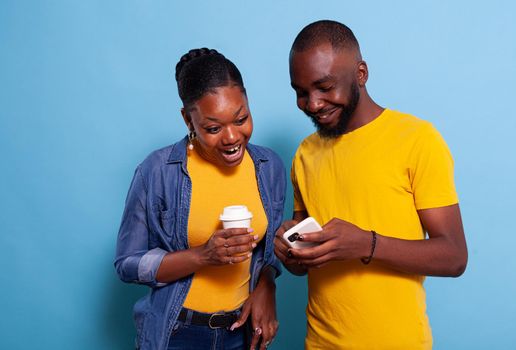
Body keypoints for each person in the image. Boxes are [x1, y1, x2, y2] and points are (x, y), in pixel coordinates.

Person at [274, 20, 468, 349]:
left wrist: (367, 244)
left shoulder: (417, 140)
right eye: (301, 92)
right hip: (319, 342)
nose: (313, 103)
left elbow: (453, 256)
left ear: (361, 74)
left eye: (324, 87)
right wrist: (289, 252)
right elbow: (305, 261)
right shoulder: (305, 153)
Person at [115, 48, 285, 350]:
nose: (232, 137)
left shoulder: (268, 167)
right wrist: (202, 256)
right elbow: (128, 263)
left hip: (239, 333)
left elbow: (267, 252)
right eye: (213, 128)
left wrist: (266, 285)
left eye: (241, 118)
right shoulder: (157, 171)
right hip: (177, 333)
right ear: (188, 120)